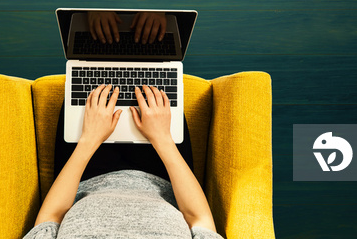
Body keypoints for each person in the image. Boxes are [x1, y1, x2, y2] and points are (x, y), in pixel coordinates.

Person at [22, 83, 223, 239]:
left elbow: (50, 220)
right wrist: (163, 139)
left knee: (94, 56)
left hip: (84, 174)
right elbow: (200, 220)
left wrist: (89, 140)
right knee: (153, 59)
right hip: (165, 173)